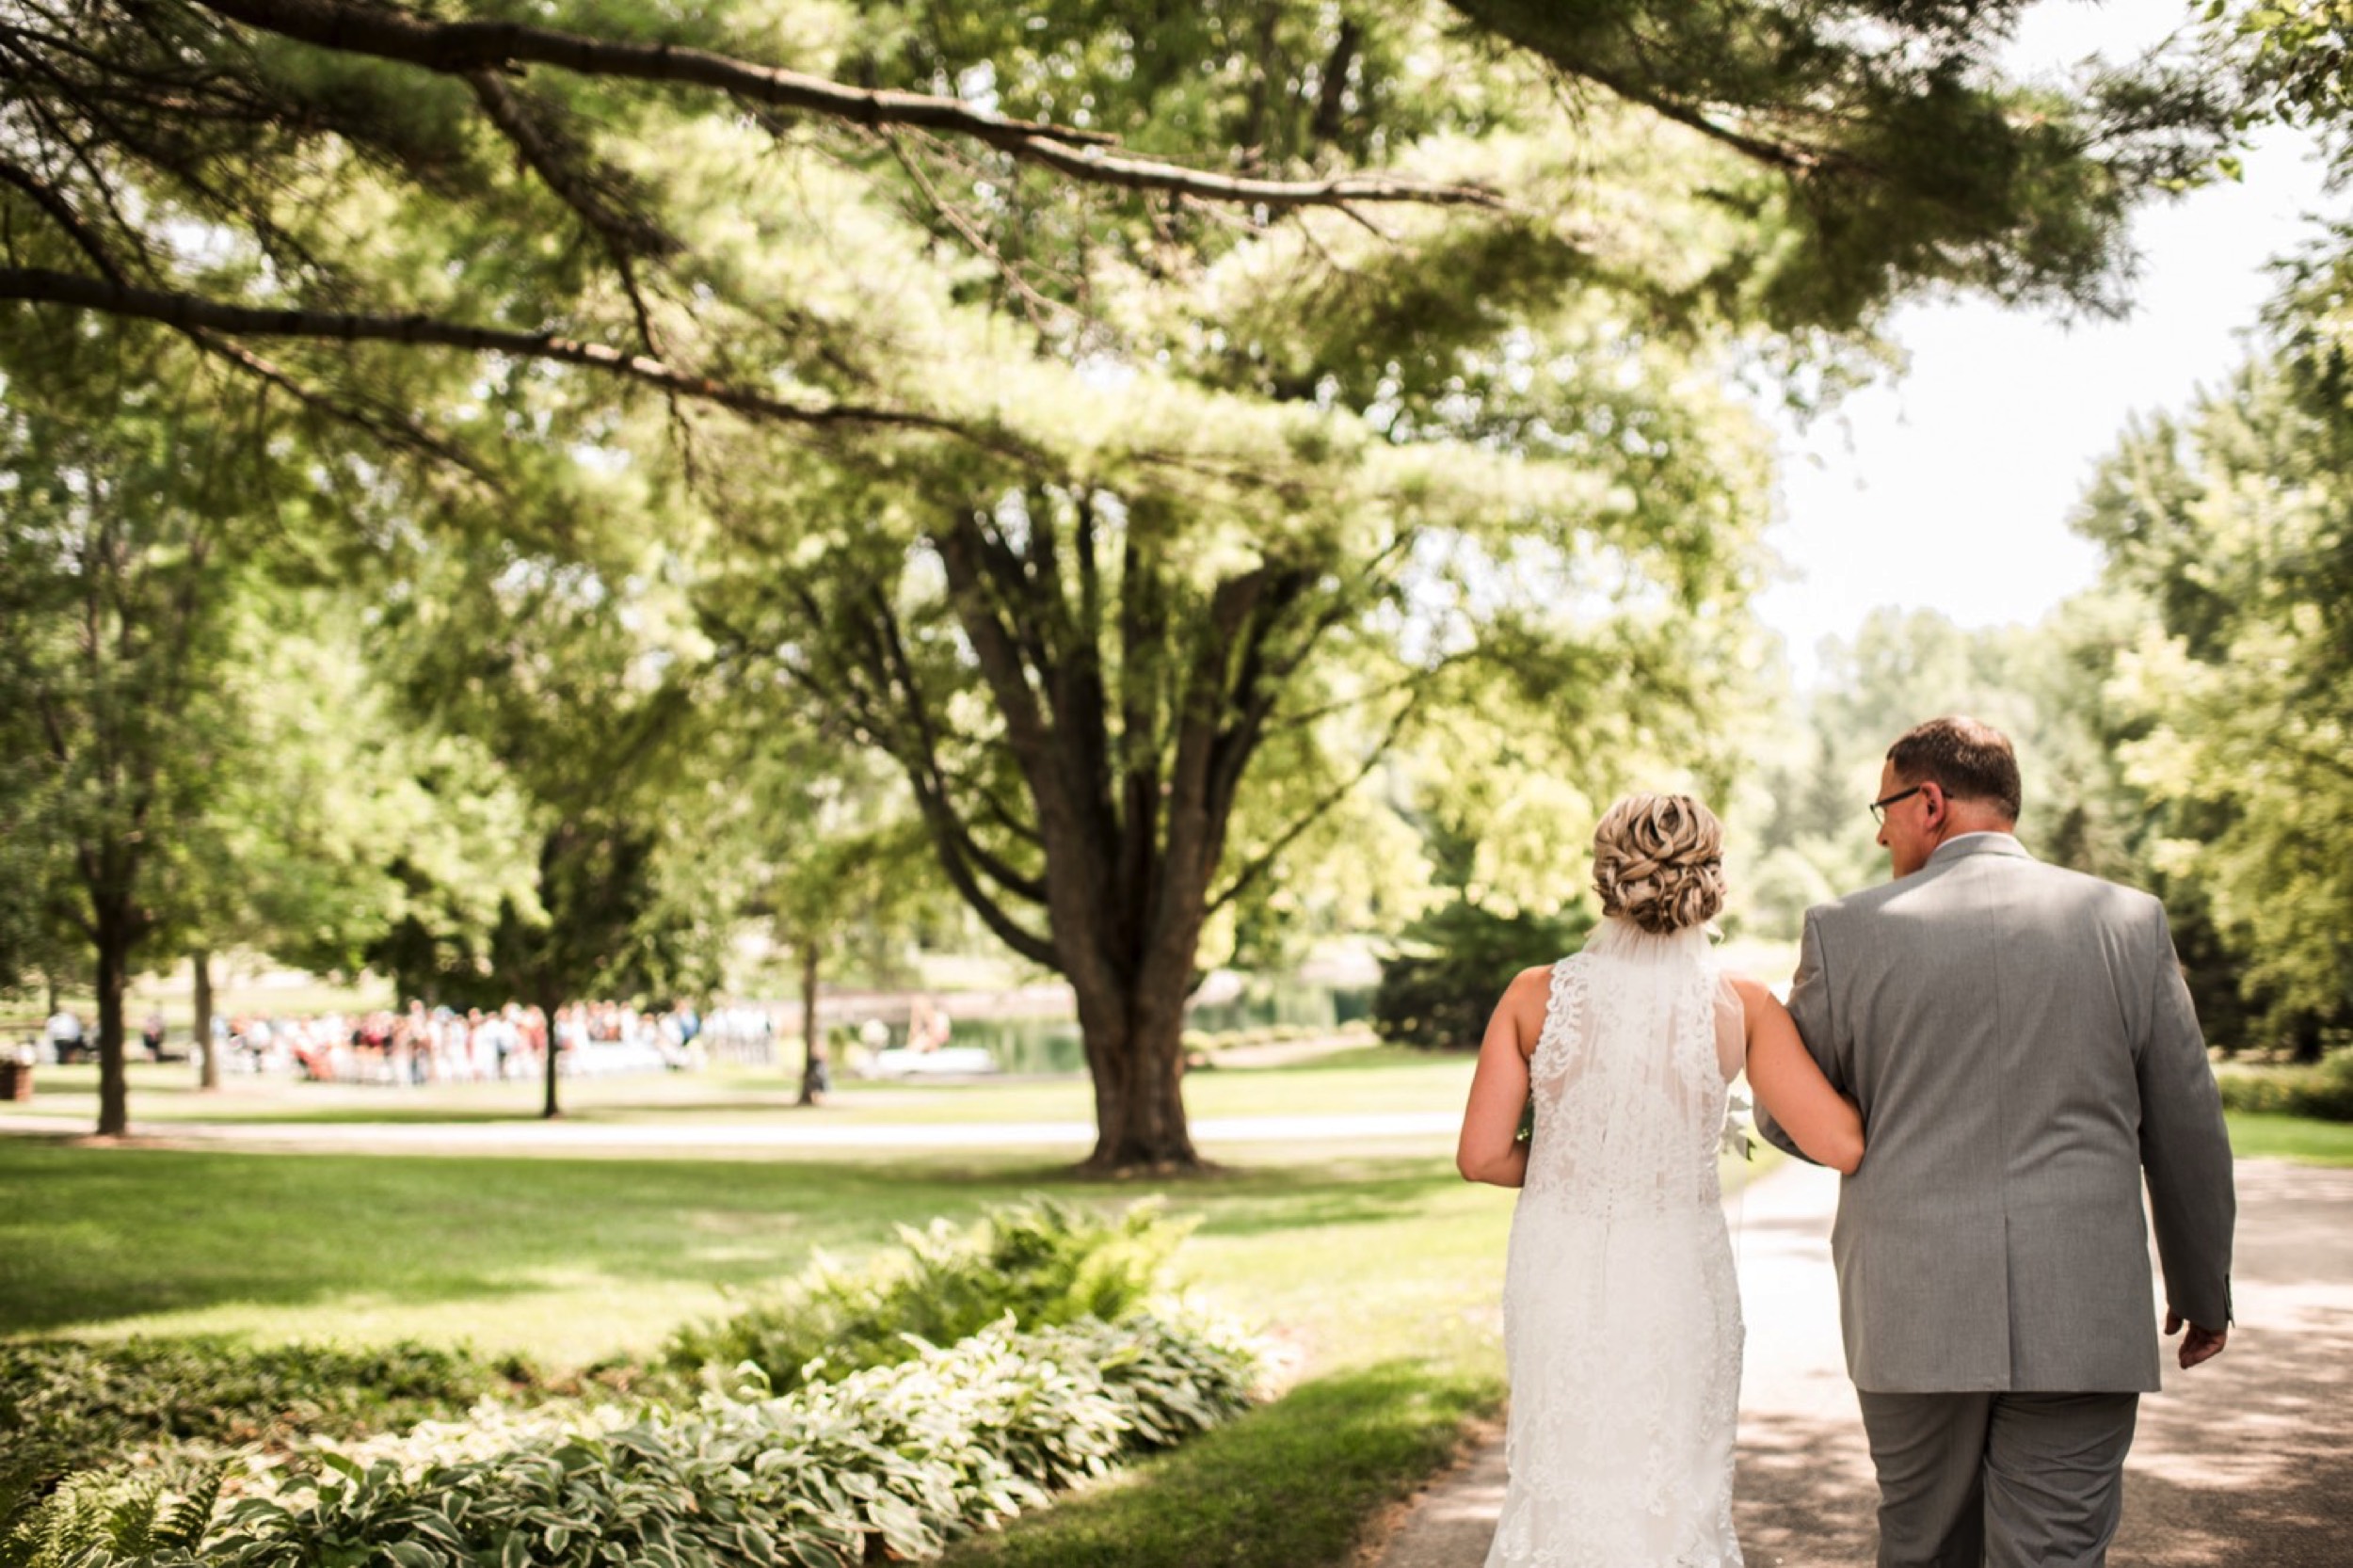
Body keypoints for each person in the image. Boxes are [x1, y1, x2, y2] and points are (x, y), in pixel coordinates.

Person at [1758, 715, 2235, 1567]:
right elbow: (2187, 1123)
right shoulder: (2127, 922)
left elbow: (1788, 1116)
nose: (1880, 829)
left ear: (1930, 802)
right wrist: (2203, 1287)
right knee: (2054, 1554)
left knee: (1924, 1547)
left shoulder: (1845, 931)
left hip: (1911, 1309)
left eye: (1886, 807)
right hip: (2083, 1309)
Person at [1458, 793, 1865, 1568]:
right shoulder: (1740, 1004)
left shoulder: (1532, 995)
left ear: (1605, 876)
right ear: (1710, 879)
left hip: (1560, 1266)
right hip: (1680, 1269)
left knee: (1561, 1473)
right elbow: (1841, 1142)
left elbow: (1480, 1156)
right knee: (1672, 1481)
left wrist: (1577, 1168)